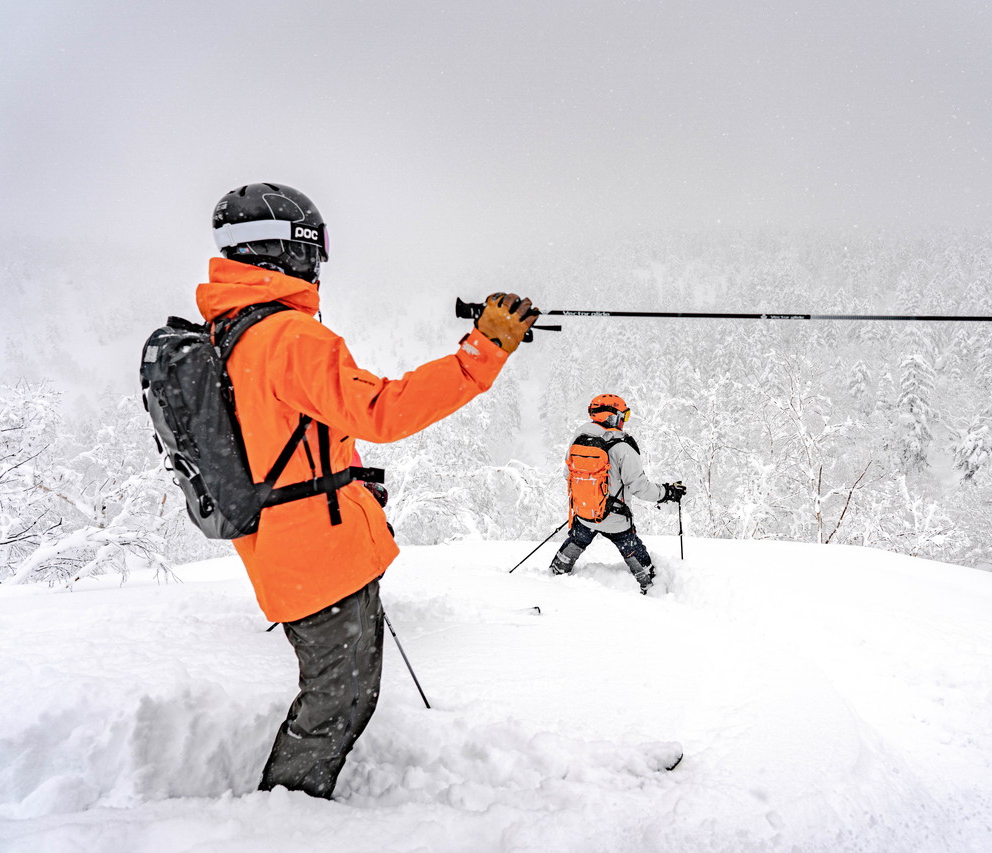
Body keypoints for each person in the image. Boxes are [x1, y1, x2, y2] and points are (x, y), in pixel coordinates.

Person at [198, 182, 537, 799]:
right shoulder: (290, 337)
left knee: (342, 688)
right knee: (342, 696)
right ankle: (283, 816)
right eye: (314, 248)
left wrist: (341, 474)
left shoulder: (233, 330)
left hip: (282, 542)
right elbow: (383, 411)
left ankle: (287, 809)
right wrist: (482, 353)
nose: (318, 263)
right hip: (316, 553)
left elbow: (285, 432)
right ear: (287, 251)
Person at [548, 394, 686, 593]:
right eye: (624, 415)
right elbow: (640, 487)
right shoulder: (623, 447)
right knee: (631, 547)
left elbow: (567, 475)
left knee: (578, 538)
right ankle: (652, 586)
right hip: (616, 520)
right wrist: (667, 492)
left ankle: (554, 574)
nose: (624, 421)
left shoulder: (577, 441)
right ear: (612, 417)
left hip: (585, 514)